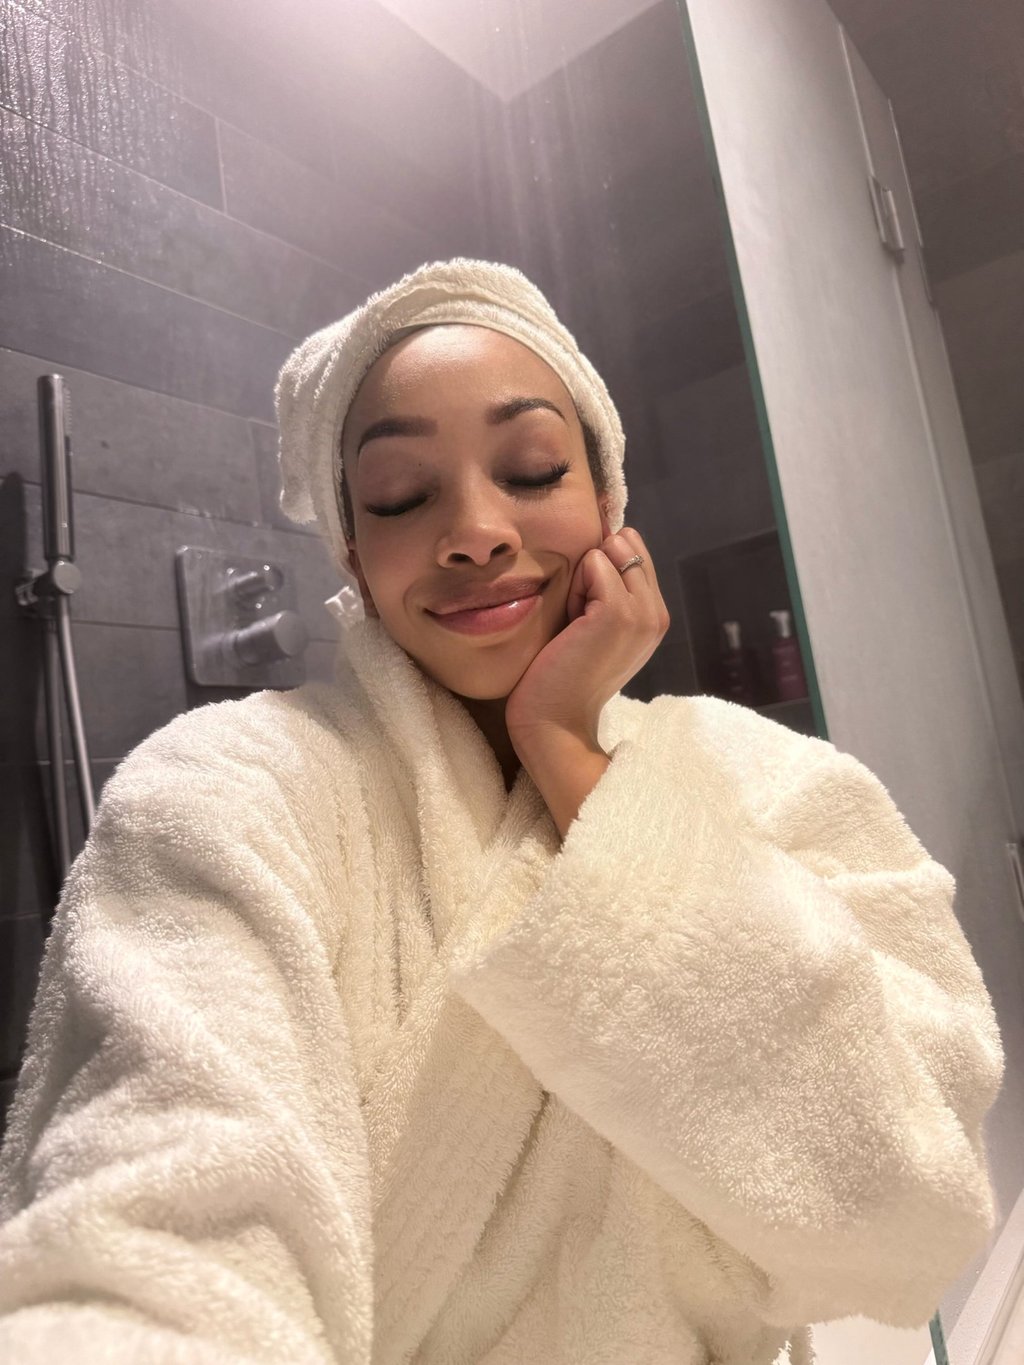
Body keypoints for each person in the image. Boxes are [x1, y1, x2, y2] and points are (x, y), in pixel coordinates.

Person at [0, 259, 1005, 1365]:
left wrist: (565, 748)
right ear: (352, 552)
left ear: (608, 502)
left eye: (531, 470)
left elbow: (912, 1212)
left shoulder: (778, 782)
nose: (475, 531)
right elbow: (161, 1202)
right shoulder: (234, 785)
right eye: (400, 494)